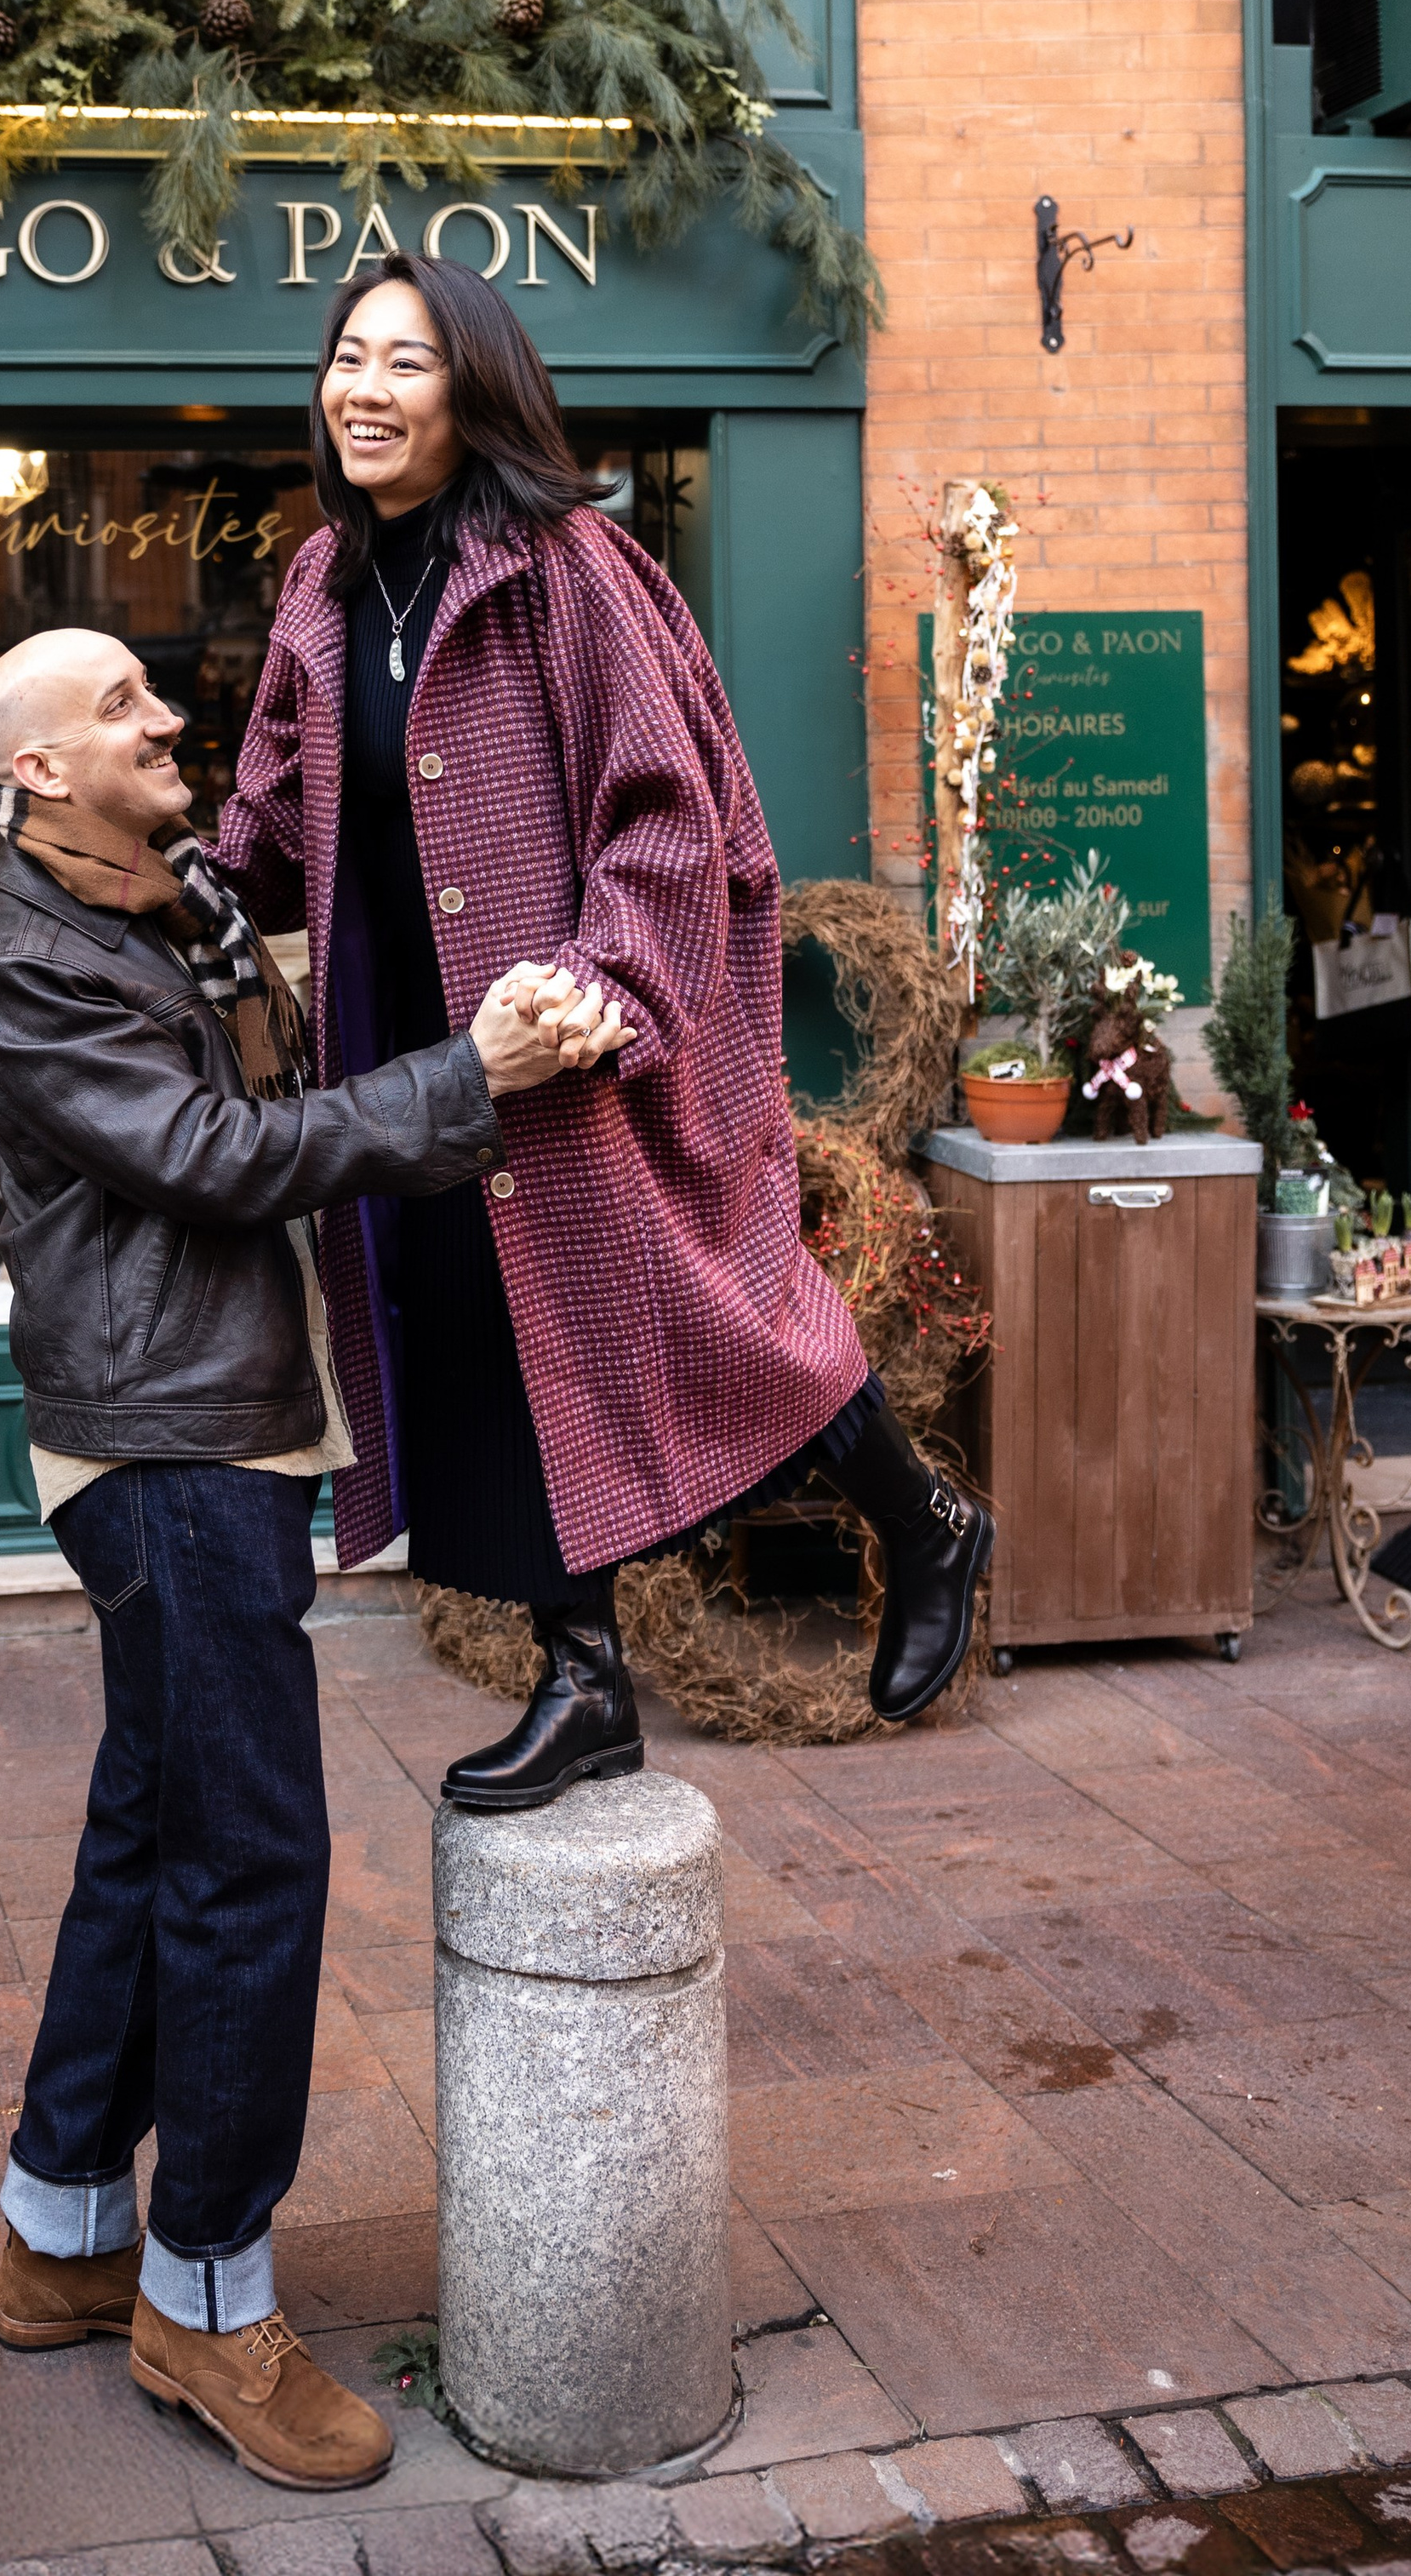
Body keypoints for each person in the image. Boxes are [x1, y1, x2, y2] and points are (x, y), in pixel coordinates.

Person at [0, 623, 627, 2489]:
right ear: (34, 777)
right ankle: (207, 2303)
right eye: (117, 709)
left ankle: (61, 2235)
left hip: (209, 1421)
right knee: (248, 1861)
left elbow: (280, 935)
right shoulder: (25, 966)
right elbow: (223, 1154)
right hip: (166, 1448)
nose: (161, 717)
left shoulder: (160, 900)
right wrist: (469, 1074)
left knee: (153, 1830)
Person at [220, 252, 993, 1813]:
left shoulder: (564, 564)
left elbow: (669, 808)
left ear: (474, 391)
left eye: (405, 365)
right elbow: (277, 804)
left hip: (567, 1033)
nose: (363, 390)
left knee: (705, 1315)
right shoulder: (322, 583)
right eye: (347, 359)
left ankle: (921, 1518)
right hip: (417, 1053)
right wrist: (167, 886)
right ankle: (585, 1682)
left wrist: (610, 984)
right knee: (477, 1346)